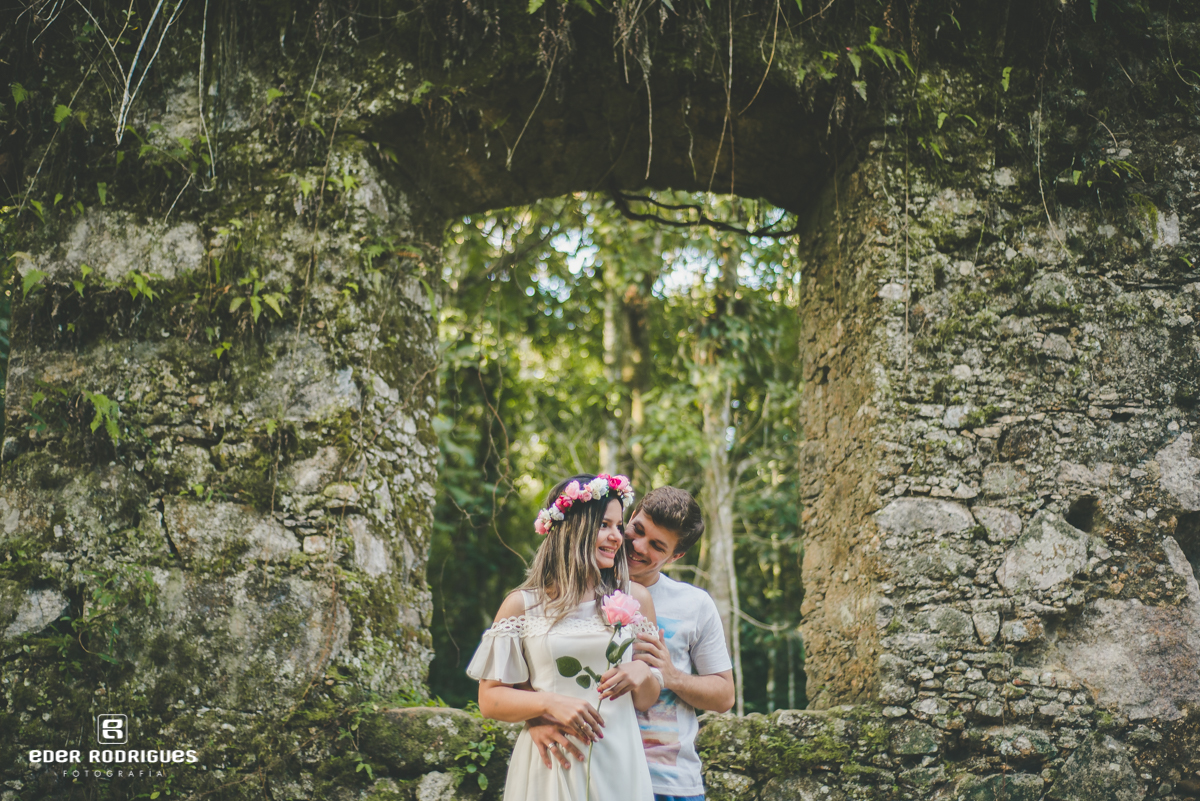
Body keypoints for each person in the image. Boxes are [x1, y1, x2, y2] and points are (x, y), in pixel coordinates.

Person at [528, 486, 734, 801]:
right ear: (629, 516)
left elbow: (724, 696)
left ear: (676, 555)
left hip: (667, 781)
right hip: (590, 773)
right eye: (636, 530)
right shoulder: (571, 592)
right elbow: (534, 672)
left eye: (656, 545)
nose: (636, 546)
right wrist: (535, 720)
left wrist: (671, 675)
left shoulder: (695, 605)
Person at [467, 473, 663, 801]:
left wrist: (643, 674)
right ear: (572, 527)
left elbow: (645, 700)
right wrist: (545, 705)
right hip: (553, 763)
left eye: (618, 526)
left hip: (618, 763)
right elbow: (489, 699)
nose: (617, 537)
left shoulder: (635, 599)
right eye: (604, 524)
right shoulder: (522, 604)